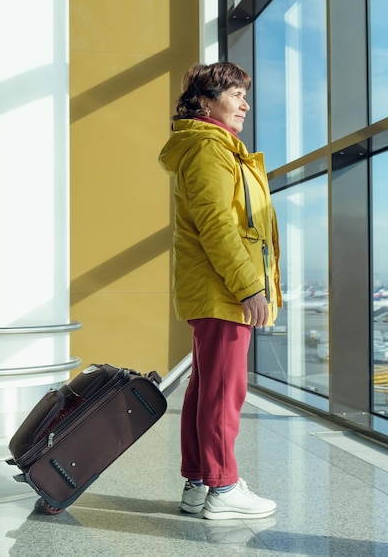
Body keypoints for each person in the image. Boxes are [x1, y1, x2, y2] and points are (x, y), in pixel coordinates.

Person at [158, 62, 282, 520]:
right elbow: (217, 226)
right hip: (224, 290)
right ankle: (223, 488)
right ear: (206, 102)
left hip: (215, 288)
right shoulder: (210, 150)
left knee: (207, 388)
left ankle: (199, 483)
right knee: (224, 391)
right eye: (235, 94)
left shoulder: (210, 148)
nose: (245, 105)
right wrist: (250, 286)